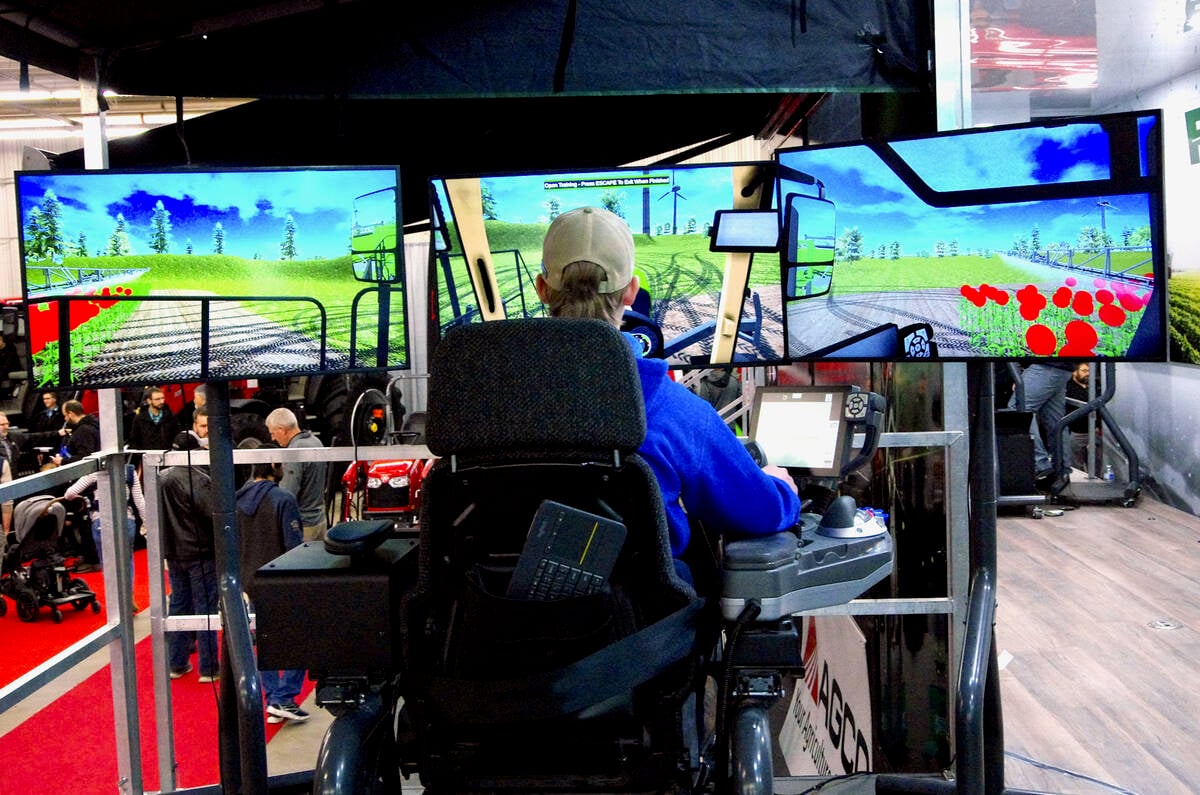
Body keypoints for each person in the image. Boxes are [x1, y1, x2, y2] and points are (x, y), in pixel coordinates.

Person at [536, 207, 800, 567]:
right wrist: (781, 488)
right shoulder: (669, 408)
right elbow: (760, 513)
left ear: (542, 290)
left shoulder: (485, 402)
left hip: (490, 611)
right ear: (631, 292)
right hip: (638, 618)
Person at [235, 446, 308, 723]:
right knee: (299, 638)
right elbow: (293, 546)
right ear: (270, 465)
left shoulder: (236, 500)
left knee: (264, 639)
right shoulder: (283, 499)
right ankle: (284, 698)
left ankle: (274, 698)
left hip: (249, 580)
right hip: (279, 580)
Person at [161, 453, 218, 682]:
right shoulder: (198, 479)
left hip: (174, 552)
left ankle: (177, 662)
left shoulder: (161, 478)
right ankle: (209, 667)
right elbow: (212, 513)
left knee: (178, 605)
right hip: (199, 552)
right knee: (205, 608)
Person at [62, 456, 145, 597]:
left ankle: (115, 601)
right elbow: (140, 502)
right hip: (126, 520)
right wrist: (146, 523)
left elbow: (69, 493)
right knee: (127, 560)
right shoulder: (129, 471)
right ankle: (128, 597)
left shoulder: (95, 472)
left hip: (101, 521)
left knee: (107, 563)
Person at [1008, 362, 1075, 490]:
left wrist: (1017, 375)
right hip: (1062, 367)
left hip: (1044, 365)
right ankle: (1061, 472)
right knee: (1056, 422)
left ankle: (1039, 464)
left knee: (1019, 409)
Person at [265, 407, 328, 541]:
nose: (273, 438)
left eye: (273, 433)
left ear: (282, 429)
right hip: (320, 521)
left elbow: (287, 494)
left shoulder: (294, 452)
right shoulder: (315, 441)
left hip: (303, 527)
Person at [127, 386, 180, 451]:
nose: (162, 401)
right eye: (157, 399)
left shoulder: (171, 417)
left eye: (162, 398)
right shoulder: (139, 418)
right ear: (149, 401)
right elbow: (134, 440)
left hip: (166, 455)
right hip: (146, 456)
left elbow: (177, 437)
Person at [1065, 362, 1095, 472]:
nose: (1087, 374)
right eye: (1083, 371)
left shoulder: (1094, 386)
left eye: (1088, 371)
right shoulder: (1068, 389)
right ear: (1074, 372)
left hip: (1095, 432)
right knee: (1076, 466)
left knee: (1097, 465)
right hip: (1077, 432)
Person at [53, 400, 101, 466]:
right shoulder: (92, 425)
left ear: (71, 414)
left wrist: (62, 461)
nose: (65, 419)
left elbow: (84, 457)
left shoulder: (83, 430)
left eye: (65, 415)